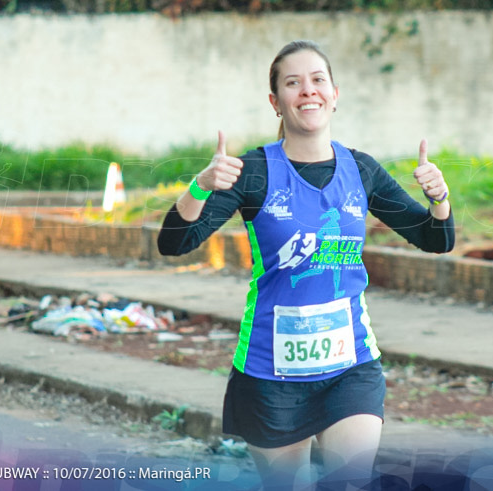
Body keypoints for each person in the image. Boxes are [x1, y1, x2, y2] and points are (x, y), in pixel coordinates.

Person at [157, 41, 454, 489]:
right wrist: (199, 187)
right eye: (292, 83)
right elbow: (174, 242)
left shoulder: (362, 170)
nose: (307, 91)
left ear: (335, 94)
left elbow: (435, 239)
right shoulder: (254, 172)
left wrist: (440, 200)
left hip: (349, 367)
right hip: (270, 374)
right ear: (276, 102)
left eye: (317, 80)